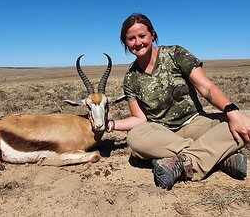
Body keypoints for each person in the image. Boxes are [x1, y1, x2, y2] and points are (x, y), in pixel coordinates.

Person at [106, 13, 250, 190]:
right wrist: (110, 124)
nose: (138, 42)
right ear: (125, 43)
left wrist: (232, 112)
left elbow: (206, 87)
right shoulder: (130, 78)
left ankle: (184, 163)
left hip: (196, 123)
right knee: (135, 138)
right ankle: (219, 156)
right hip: (162, 133)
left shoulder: (175, 54)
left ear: (153, 35)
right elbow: (139, 119)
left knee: (246, 117)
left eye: (142, 36)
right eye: (131, 39)